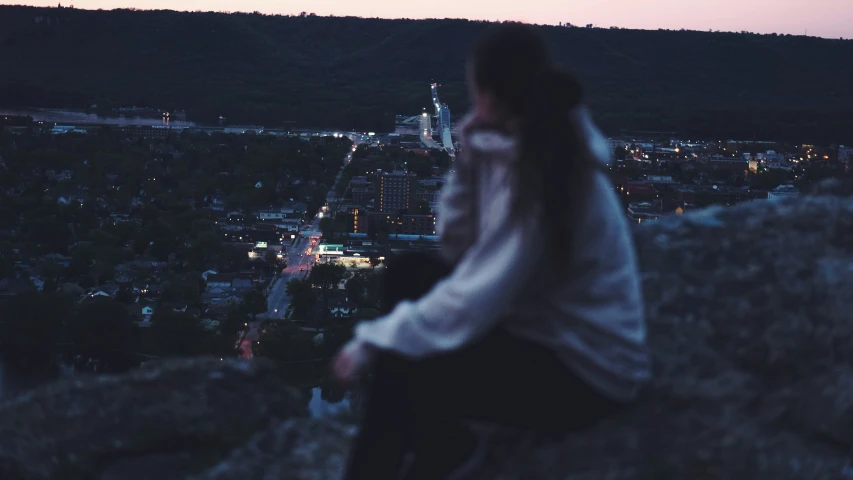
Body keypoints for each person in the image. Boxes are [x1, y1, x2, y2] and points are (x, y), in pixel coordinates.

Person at [333, 23, 651, 480]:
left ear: (491, 95)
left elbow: (474, 293)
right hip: (548, 333)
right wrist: (468, 158)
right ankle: (446, 446)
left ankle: (404, 463)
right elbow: (456, 247)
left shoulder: (546, 175)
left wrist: (374, 340)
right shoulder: (524, 147)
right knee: (410, 273)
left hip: (589, 372)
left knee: (406, 365)